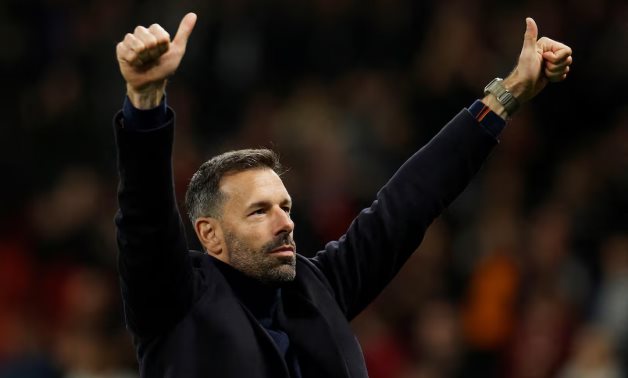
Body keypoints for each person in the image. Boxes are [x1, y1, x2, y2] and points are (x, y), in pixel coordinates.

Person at [113, 12, 572, 378]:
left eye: (285, 207)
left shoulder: (317, 288)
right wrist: (146, 104)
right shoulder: (175, 300)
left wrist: (508, 94)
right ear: (209, 235)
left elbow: (408, 203)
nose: (285, 221)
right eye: (259, 211)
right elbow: (145, 217)